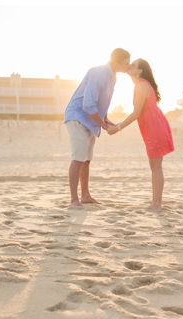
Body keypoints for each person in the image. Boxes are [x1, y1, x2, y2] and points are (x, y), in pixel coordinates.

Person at [63, 48, 131, 207]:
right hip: (77, 117)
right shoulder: (98, 73)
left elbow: (103, 101)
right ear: (116, 63)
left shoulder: (113, 77)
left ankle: (86, 196)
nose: (128, 66)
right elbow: (87, 105)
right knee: (78, 158)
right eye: (126, 63)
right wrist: (103, 126)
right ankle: (74, 200)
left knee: (86, 160)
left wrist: (105, 120)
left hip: (91, 120)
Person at [111, 59, 175, 210]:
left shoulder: (142, 85)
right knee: (154, 166)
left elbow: (135, 113)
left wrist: (118, 127)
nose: (129, 66)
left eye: (133, 65)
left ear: (139, 71)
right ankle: (155, 202)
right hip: (152, 126)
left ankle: (157, 204)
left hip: (154, 127)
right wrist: (116, 125)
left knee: (156, 167)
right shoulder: (142, 85)